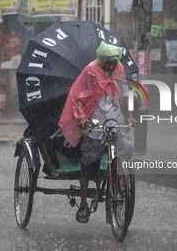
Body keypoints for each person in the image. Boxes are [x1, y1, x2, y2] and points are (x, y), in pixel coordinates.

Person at [58, 41, 136, 223]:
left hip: (115, 121)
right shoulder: (91, 71)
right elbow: (77, 96)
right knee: (88, 164)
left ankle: (114, 194)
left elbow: (125, 94)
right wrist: (81, 117)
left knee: (125, 149)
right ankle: (84, 205)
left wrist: (130, 115)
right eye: (107, 63)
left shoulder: (119, 70)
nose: (111, 66)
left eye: (113, 63)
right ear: (101, 60)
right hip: (94, 123)